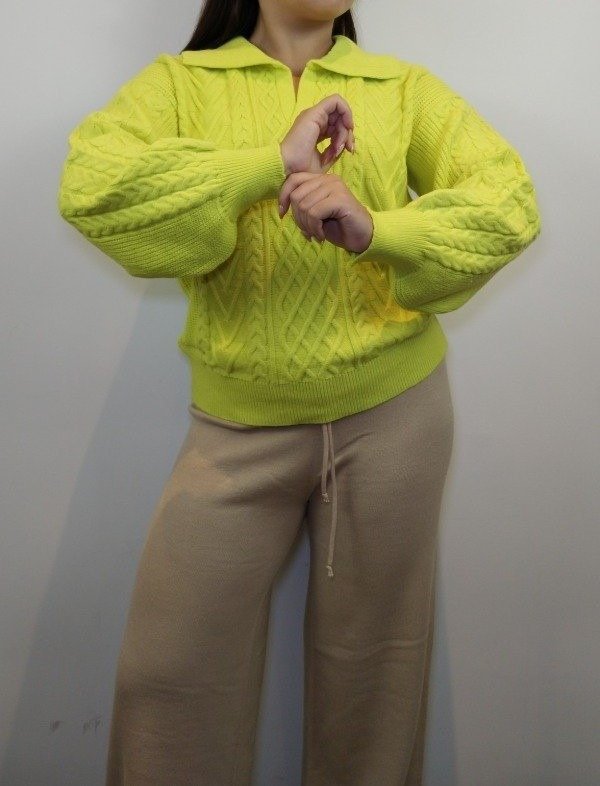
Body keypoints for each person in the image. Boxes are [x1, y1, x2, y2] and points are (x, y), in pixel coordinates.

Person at [57, 1, 541, 783]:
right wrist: (268, 163)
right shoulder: (180, 85)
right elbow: (91, 190)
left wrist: (380, 231)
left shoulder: (401, 88)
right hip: (234, 433)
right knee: (168, 681)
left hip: (396, 423)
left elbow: (509, 203)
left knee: (375, 686)